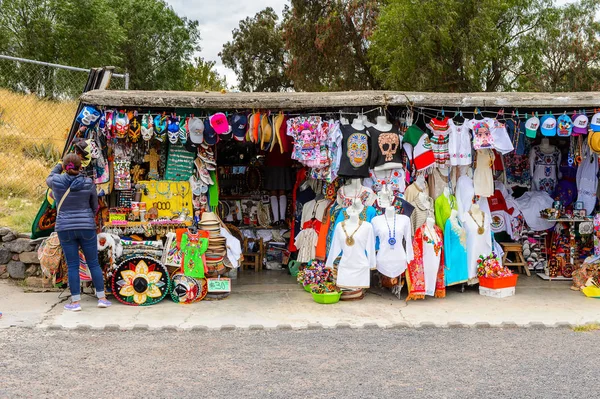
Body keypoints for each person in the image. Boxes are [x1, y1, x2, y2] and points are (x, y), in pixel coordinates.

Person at [47, 153, 111, 311]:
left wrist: (59, 165)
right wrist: (87, 216)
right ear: (80, 166)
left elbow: (50, 176)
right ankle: (102, 298)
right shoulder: (88, 183)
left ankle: (75, 303)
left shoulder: (57, 181)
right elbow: (95, 206)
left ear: (65, 167)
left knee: (73, 265)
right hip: (86, 227)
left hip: (65, 228)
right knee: (93, 263)